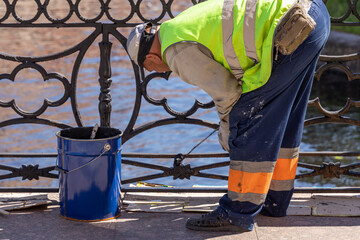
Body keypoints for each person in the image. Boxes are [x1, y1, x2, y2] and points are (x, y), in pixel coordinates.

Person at [126, 0, 330, 232]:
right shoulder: (178, 25)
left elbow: (227, 93)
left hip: (292, 27)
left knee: (248, 118)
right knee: (285, 119)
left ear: (149, 59)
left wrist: (228, 129)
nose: (161, 72)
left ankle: (237, 212)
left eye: (152, 69)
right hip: (311, 16)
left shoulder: (174, 49)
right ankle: (275, 200)